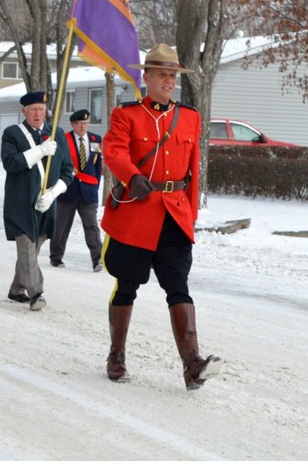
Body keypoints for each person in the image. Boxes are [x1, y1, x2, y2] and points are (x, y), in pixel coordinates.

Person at [100, 44, 222, 389]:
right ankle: (116, 354)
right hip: (136, 215)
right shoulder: (126, 115)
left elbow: (193, 171)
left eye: (173, 75)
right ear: (147, 76)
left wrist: (191, 213)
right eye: (162, 74)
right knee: (127, 284)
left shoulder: (190, 117)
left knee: (178, 286)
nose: (169, 81)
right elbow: (113, 151)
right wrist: (131, 176)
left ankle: (192, 364)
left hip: (174, 215)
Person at [1, 91, 74, 311]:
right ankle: (36, 293)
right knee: (26, 247)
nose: (37, 114)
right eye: (33, 109)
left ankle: (16, 289)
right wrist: (40, 151)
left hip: (46, 203)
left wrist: (52, 194)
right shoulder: (12, 133)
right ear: (24, 111)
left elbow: (68, 171)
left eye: (41, 109)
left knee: (32, 250)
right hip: (20, 203)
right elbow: (10, 163)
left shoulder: (57, 134)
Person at [49, 109, 104, 271]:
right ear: (73, 124)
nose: (83, 126)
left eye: (86, 123)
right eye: (80, 123)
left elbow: (97, 165)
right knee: (61, 226)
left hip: (89, 191)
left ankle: (97, 259)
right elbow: (57, 165)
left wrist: (95, 187)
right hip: (68, 189)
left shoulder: (96, 139)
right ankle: (56, 257)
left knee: (92, 226)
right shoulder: (64, 140)